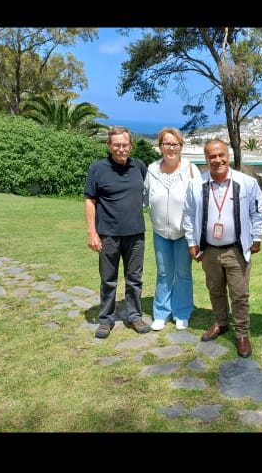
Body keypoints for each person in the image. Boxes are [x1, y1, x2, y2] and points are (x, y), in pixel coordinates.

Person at [182, 139, 262, 358]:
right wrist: (192, 243)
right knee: (215, 290)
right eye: (212, 156)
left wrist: (256, 237)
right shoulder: (196, 184)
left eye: (221, 155)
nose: (217, 160)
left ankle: (241, 333)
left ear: (227, 155)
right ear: (206, 158)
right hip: (209, 249)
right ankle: (220, 323)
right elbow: (189, 215)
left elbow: (259, 211)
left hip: (236, 249)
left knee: (239, 294)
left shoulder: (246, 182)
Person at [84, 126, 150, 338]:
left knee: (134, 279)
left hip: (136, 234)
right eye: (117, 145)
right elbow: (90, 200)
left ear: (131, 145)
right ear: (109, 145)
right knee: (108, 279)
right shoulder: (98, 168)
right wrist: (92, 233)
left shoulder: (139, 166)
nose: (121, 149)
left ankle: (135, 316)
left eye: (125, 145)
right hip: (108, 234)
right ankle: (105, 320)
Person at [143, 127, 202, 331]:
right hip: (160, 231)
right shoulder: (152, 170)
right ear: (160, 147)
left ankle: (182, 312)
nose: (171, 148)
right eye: (166, 143)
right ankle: (161, 312)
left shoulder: (191, 169)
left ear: (181, 147)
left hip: (184, 233)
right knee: (164, 273)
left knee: (183, 273)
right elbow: (144, 197)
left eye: (175, 144)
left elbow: (199, 202)